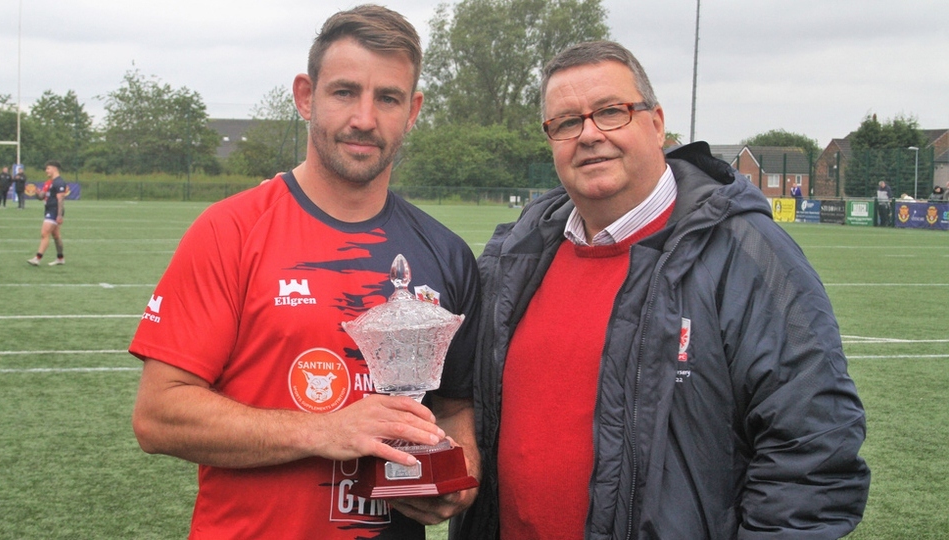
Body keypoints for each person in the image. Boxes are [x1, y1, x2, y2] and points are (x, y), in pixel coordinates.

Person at [452, 40, 870, 540]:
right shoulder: (515, 255)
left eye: (610, 112)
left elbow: (813, 450)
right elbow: (462, 404)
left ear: (656, 124)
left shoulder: (749, 253)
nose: (589, 134)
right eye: (566, 122)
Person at [129, 5, 480, 539]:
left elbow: (455, 408)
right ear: (304, 96)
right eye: (344, 92)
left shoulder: (447, 253)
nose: (364, 118)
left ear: (412, 111)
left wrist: (462, 477)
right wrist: (326, 430)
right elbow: (158, 415)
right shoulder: (230, 231)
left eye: (388, 98)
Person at [26, 160, 67, 266]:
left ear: (54, 169)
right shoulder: (49, 182)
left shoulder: (59, 182)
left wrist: (59, 215)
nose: (46, 171)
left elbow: (60, 200)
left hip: (54, 211)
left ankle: (37, 258)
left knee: (44, 233)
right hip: (48, 210)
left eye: (48, 168)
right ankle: (60, 258)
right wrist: (37, 193)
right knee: (56, 236)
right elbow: (41, 197)